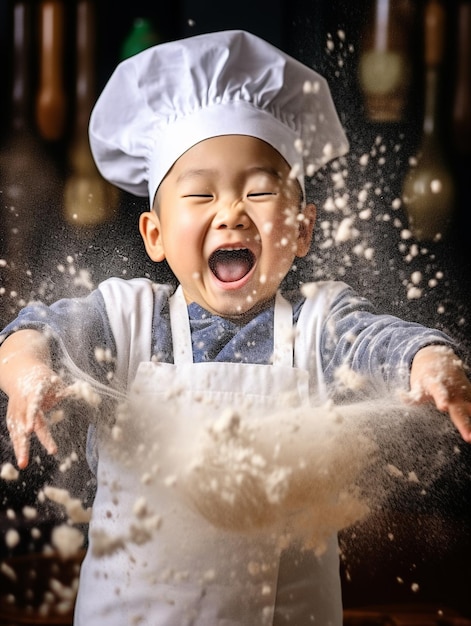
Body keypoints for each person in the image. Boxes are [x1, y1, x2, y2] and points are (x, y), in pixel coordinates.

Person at [0, 29, 470, 626]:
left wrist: (427, 360)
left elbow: (377, 341)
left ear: (302, 229)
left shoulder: (317, 322)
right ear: (155, 236)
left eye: (259, 190)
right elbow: (34, 329)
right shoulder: (125, 319)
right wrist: (27, 373)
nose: (231, 212)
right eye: (199, 194)